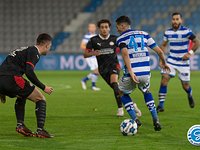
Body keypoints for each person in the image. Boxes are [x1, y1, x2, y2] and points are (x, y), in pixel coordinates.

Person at [115, 16, 170, 131]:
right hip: (145, 72)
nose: (117, 30)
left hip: (132, 73)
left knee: (121, 92)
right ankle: (156, 119)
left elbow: (125, 54)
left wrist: (130, 72)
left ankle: (135, 120)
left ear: (123, 25)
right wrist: (163, 62)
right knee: (146, 91)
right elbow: (159, 51)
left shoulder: (121, 38)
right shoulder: (144, 34)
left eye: (118, 27)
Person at [0, 33, 54, 138]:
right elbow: (29, 72)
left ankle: (21, 125)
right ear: (46, 45)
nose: (49, 49)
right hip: (12, 78)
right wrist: (44, 87)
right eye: (50, 47)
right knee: (40, 99)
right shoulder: (34, 52)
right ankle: (40, 130)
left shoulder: (24, 50)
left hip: (2, 78)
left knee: (22, 94)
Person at [157, 12, 200, 112]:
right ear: (171, 21)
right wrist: (161, 60)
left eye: (177, 19)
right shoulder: (168, 32)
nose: (175, 21)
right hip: (171, 61)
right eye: (173, 19)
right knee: (164, 79)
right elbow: (163, 45)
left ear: (181, 20)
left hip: (183, 62)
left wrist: (190, 53)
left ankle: (189, 94)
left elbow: (197, 42)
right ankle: (161, 105)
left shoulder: (186, 32)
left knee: (185, 86)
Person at [80, 23, 100, 91]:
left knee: (98, 71)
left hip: (95, 56)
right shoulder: (87, 36)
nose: (92, 28)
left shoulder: (97, 36)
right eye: (91, 27)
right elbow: (82, 46)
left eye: (93, 27)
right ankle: (90, 84)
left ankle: (87, 82)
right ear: (88, 28)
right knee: (97, 71)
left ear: (95, 28)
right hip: (90, 56)